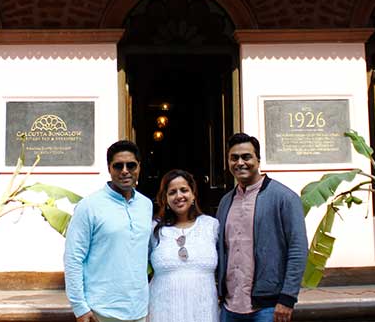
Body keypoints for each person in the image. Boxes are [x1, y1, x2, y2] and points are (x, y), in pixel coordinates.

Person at [216, 133, 308, 322]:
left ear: (258, 159)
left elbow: (298, 250)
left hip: (268, 308)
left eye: (246, 157)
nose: (240, 162)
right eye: (234, 158)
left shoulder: (284, 198)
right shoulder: (226, 202)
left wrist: (287, 298)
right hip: (229, 306)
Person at [64, 140, 153, 322]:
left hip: (139, 310)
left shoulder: (146, 205)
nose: (125, 171)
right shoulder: (89, 206)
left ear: (139, 167)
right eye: (118, 166)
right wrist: (79, 307)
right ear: (109, 169)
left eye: (131, 165)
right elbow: (73, 258)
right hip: (101, 312)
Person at [148, 169, 220, 322]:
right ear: (165, 198)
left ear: (193, 194)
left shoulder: (212, 226)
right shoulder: (154, 229)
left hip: (204, 310)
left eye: (184, 190)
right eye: (172, 192)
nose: (179, 196)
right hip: (163, 311)